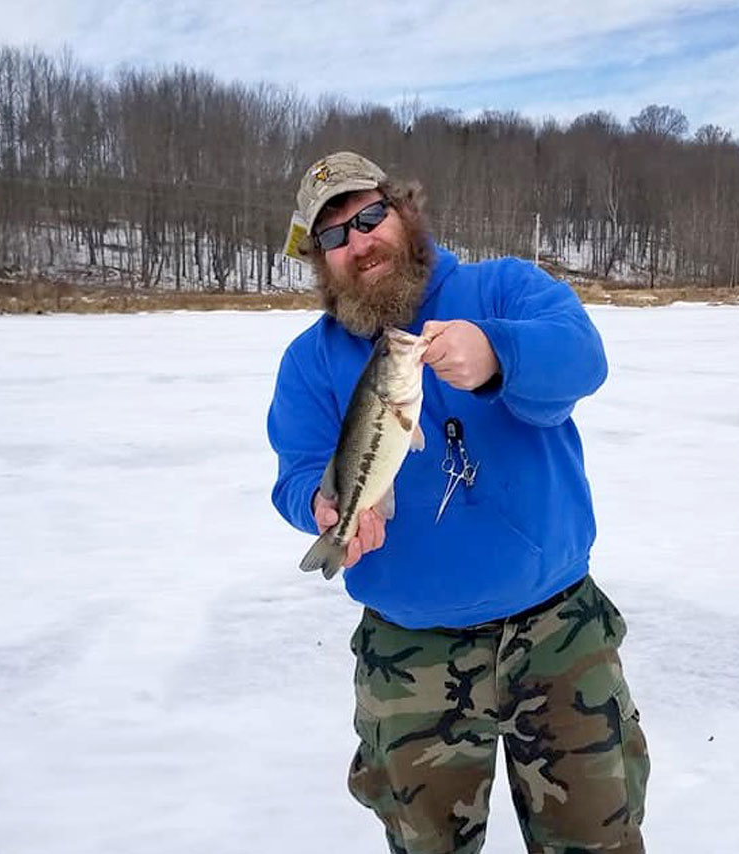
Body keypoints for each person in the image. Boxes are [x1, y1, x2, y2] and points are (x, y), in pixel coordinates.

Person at [267, 151, 650, 854]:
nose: (358, 242)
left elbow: (582, 357)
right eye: (333, 236)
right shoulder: (309, 360)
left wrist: (497, 350)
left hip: (560, 631)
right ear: (319, 258)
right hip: (408, 652)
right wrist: (324, 505)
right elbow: (295, 471)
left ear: (403, 212)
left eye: (369, 216)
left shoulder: (502, 287)